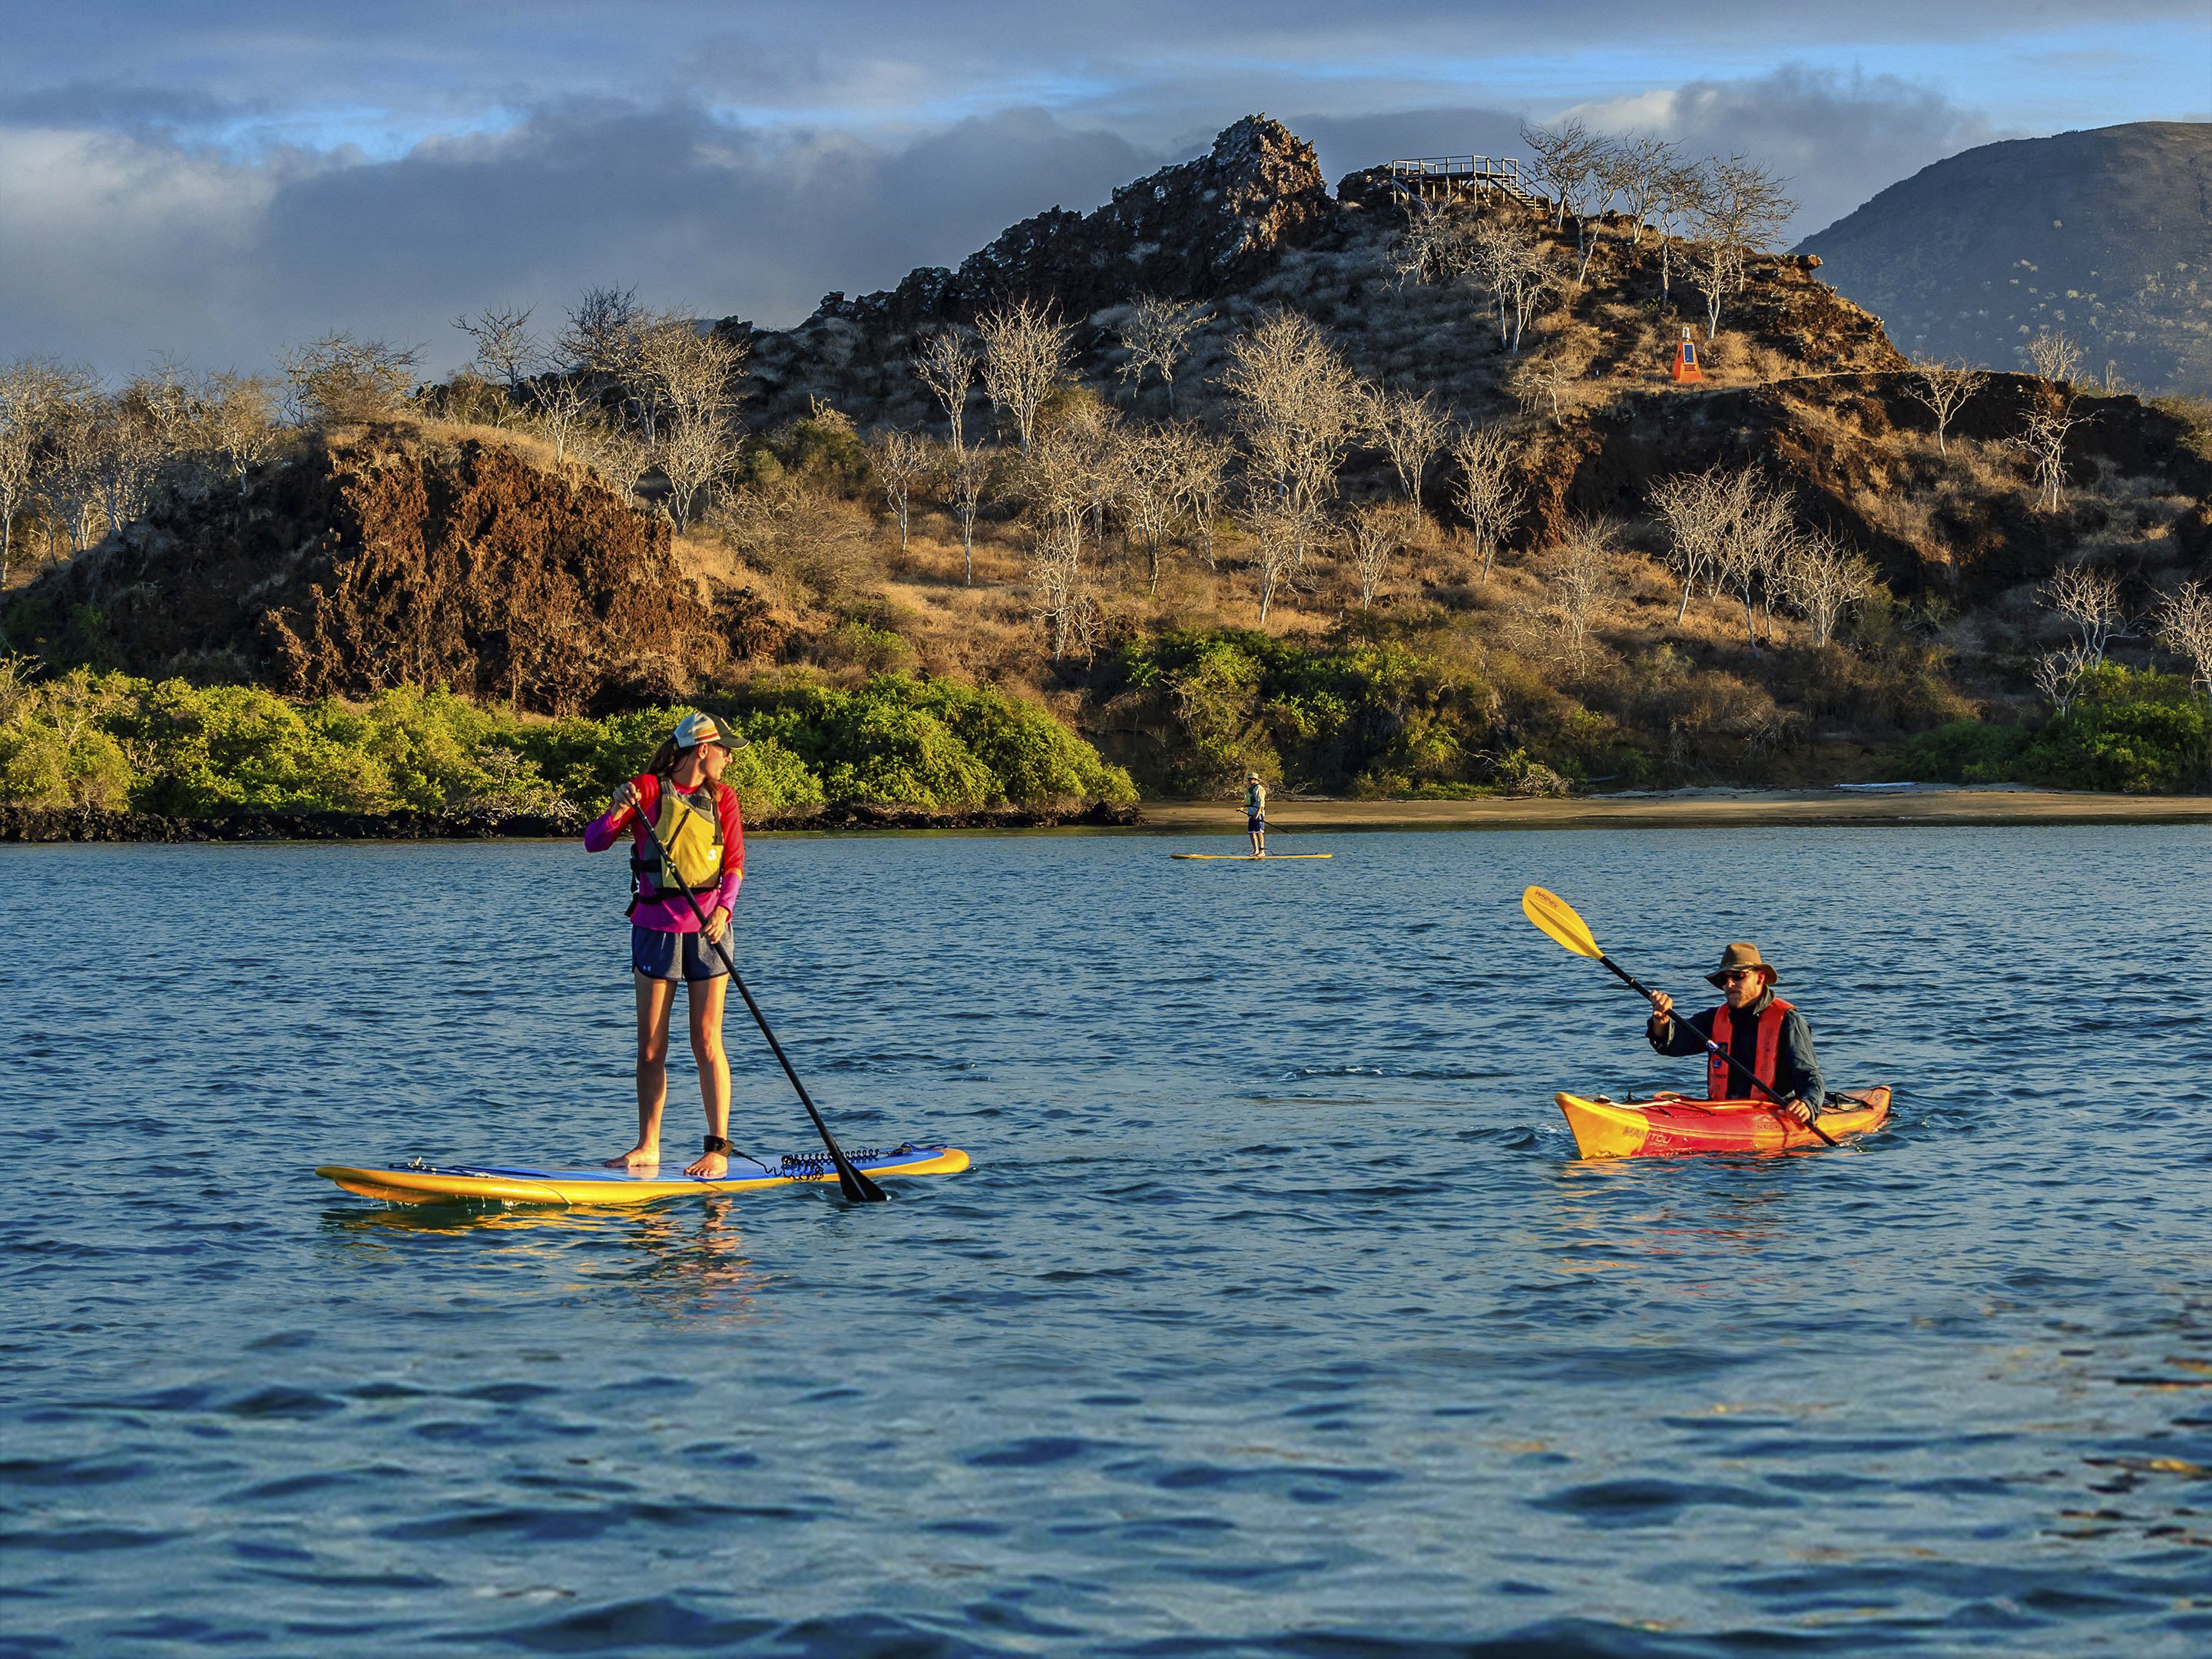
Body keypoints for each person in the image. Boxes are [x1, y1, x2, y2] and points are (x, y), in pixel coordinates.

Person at [584, 711, 747, 1177]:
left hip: (709, 931)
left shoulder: (724, 799)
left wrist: (723, 910)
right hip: (656, 930)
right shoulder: (648, 790)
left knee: (707, 1041)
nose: (728, 759)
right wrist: (617, 809)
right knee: (651, 1048)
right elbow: (594, 842)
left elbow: (734, 864)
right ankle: (647, 1146)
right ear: (702, 750)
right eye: (724, 750)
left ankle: (717, 1149)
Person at [1646, 942, 1826, 1125]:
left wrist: (1807, 1104)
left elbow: (1810, 1076)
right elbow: (1672, 1044)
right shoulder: (1713, 1018)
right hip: (1723, 1114)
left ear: (1760, 977)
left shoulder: (1788, 1020)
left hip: (1772, 1117)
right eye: (1724, 979)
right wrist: (1661, 1020)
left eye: (1737, 976)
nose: (1729, 984)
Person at [1244, 770, 1267, 857]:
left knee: (1259, 832)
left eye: (1251, 779)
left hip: (1258, 813)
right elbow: (1249, 802)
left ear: (1255, 779)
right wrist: (1242, 808)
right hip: (1251, 813)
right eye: (1249, 779)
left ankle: (1262, 851)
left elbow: (1261, 802)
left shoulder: (1259, 788)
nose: (1249, 781)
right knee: (1251, 831)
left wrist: (1258, 813)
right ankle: (1256, 850)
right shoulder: (1250, 789)